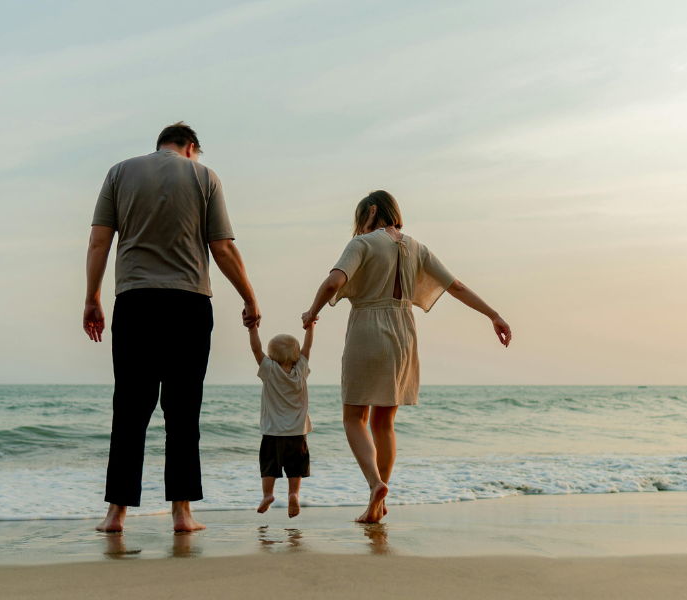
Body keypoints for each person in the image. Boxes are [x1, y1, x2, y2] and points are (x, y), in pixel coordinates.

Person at [83, 122, 261, 533]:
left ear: (160, 144)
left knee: (129, 410)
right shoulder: (204, 176)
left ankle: (116, 514)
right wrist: (249, 295)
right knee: (183, 412)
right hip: (189, 304)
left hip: (134, 302)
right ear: (191, 147)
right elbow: (222, 247)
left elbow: (98, 242)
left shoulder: (119, 172)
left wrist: (92, 297)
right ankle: (182, 513)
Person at [301, 190, 511, 523]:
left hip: (368, 328)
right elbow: (454, 285)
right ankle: (377, 505)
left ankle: (374, 485)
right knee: (384, 422)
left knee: (354, 418)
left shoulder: (363, 243)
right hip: (404, 332)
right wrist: (493, 315)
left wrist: (311, 312)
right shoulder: (416, 247)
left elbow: (333, 281)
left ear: (370, 212)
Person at [248, 323, 314, 518]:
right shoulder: (301, 368)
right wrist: (310, 327)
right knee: (295, 468)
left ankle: (268, 495)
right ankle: (293, 493)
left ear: (271, 355)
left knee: (269, 466)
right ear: (296, 354)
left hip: (272, 432)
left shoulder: (268, 369)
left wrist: (252, 329)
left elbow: (255, 349)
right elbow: (308, 347)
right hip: (297, 433)